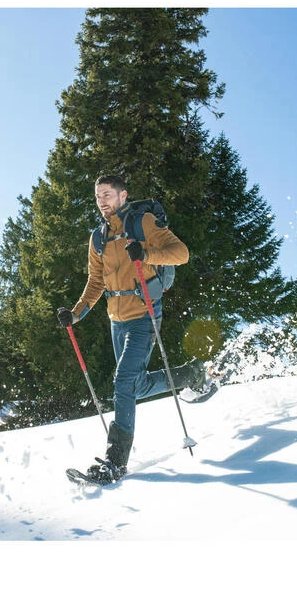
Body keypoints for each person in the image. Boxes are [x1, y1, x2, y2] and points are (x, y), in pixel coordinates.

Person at [57, 174, 206, 483]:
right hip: (116, 320)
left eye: (108, 194)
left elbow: (181, 253)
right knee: (133, 385)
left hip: (144, 314)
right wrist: (75, 315)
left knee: (123, 381)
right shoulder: (97, 238)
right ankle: (192, 374)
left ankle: (115, 461)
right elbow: (96, 282)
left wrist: (147, 253)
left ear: (123, 196)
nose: (102, 201)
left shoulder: (143, 222)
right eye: (98, 196)